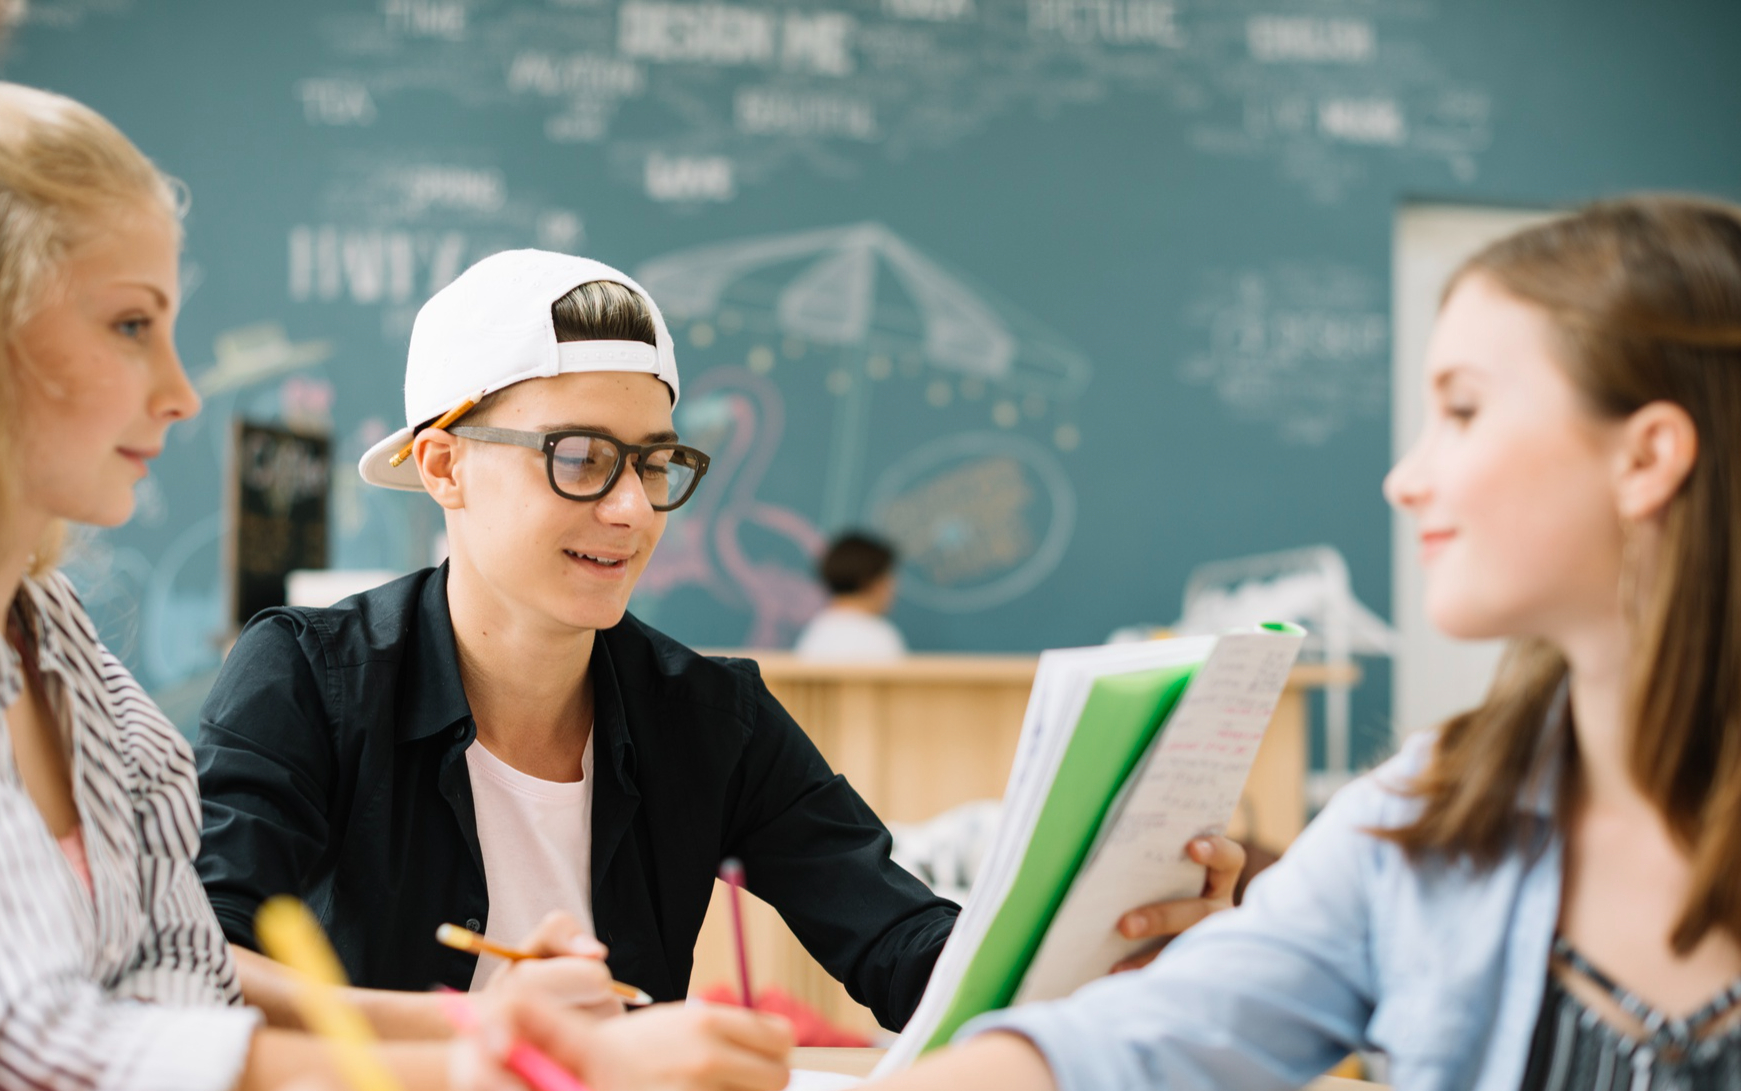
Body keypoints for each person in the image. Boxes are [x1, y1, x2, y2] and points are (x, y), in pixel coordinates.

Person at [739, 196, 1741, 1091]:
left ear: (1648, 456)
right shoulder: (1430, 818)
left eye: (1463, 411)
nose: (1405, 478)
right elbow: (1128, 1061)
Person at [0, 79, 783, 1091]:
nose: (182, 391)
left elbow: (183, 981)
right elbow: (30, 1060)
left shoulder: (61, 643)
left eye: (652, 465)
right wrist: (496, 1062)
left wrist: (478, 1036)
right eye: (131, 324)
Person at [195, 250, 1248, 1030]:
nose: (631, 511)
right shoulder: (306, 678)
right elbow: (198, 960)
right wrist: (480, 1033)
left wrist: (1103, 946)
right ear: (442, 466)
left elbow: (896, 946)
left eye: (654, 463)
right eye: (578, 458)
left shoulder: (706, 716)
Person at [794, 531, 906, 660]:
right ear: (876, 583)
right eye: (890, 578)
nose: (894, 589)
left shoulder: (814, 633)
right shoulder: (880, 637)